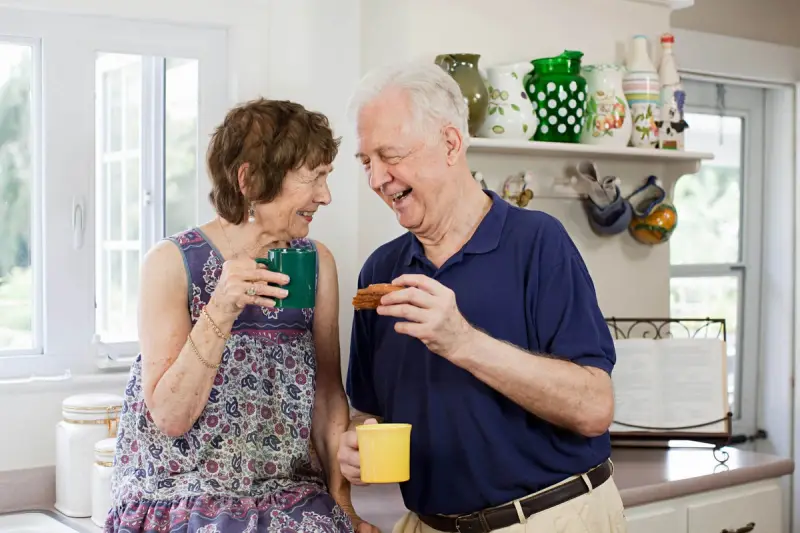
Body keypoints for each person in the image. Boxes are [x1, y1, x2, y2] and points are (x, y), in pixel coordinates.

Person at [337, 63, 627, 533]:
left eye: (390, 155)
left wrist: (462, 342)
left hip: (551, 518)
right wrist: (357, 441)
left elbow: (594, 408)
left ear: (451, 144)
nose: (376, 179)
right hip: (428, 523)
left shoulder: (539, 244)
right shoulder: (381, 271)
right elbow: (368, 409)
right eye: (366, 161)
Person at [107, 98, 376, 533]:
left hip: (286, 491)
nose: (325, 196)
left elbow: (327, 396)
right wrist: (222, 306)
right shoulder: (171, 263)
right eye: (314, 178)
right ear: (249, 180)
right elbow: (171, 417)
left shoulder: (316, 262)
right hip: (179, 491)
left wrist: (342, 505)